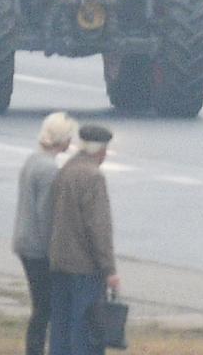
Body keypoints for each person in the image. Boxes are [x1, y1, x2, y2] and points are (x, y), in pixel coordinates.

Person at [45, 122, 117, 355]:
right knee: (85, 331)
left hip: (59, 262)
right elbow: (99, 228)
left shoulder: (65, 170)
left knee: (60, 327)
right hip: (85, 267)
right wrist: (109, 269)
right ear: (101, 150)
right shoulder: (93, 177)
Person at [12, 112, 76, 355]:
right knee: (45, 307)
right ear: (63, 140)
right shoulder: (50, 170)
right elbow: (47, 215)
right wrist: (57, 252)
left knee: (41, 305)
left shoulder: (32, 160)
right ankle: (36, 350)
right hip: (38, 248)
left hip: (23, 239)